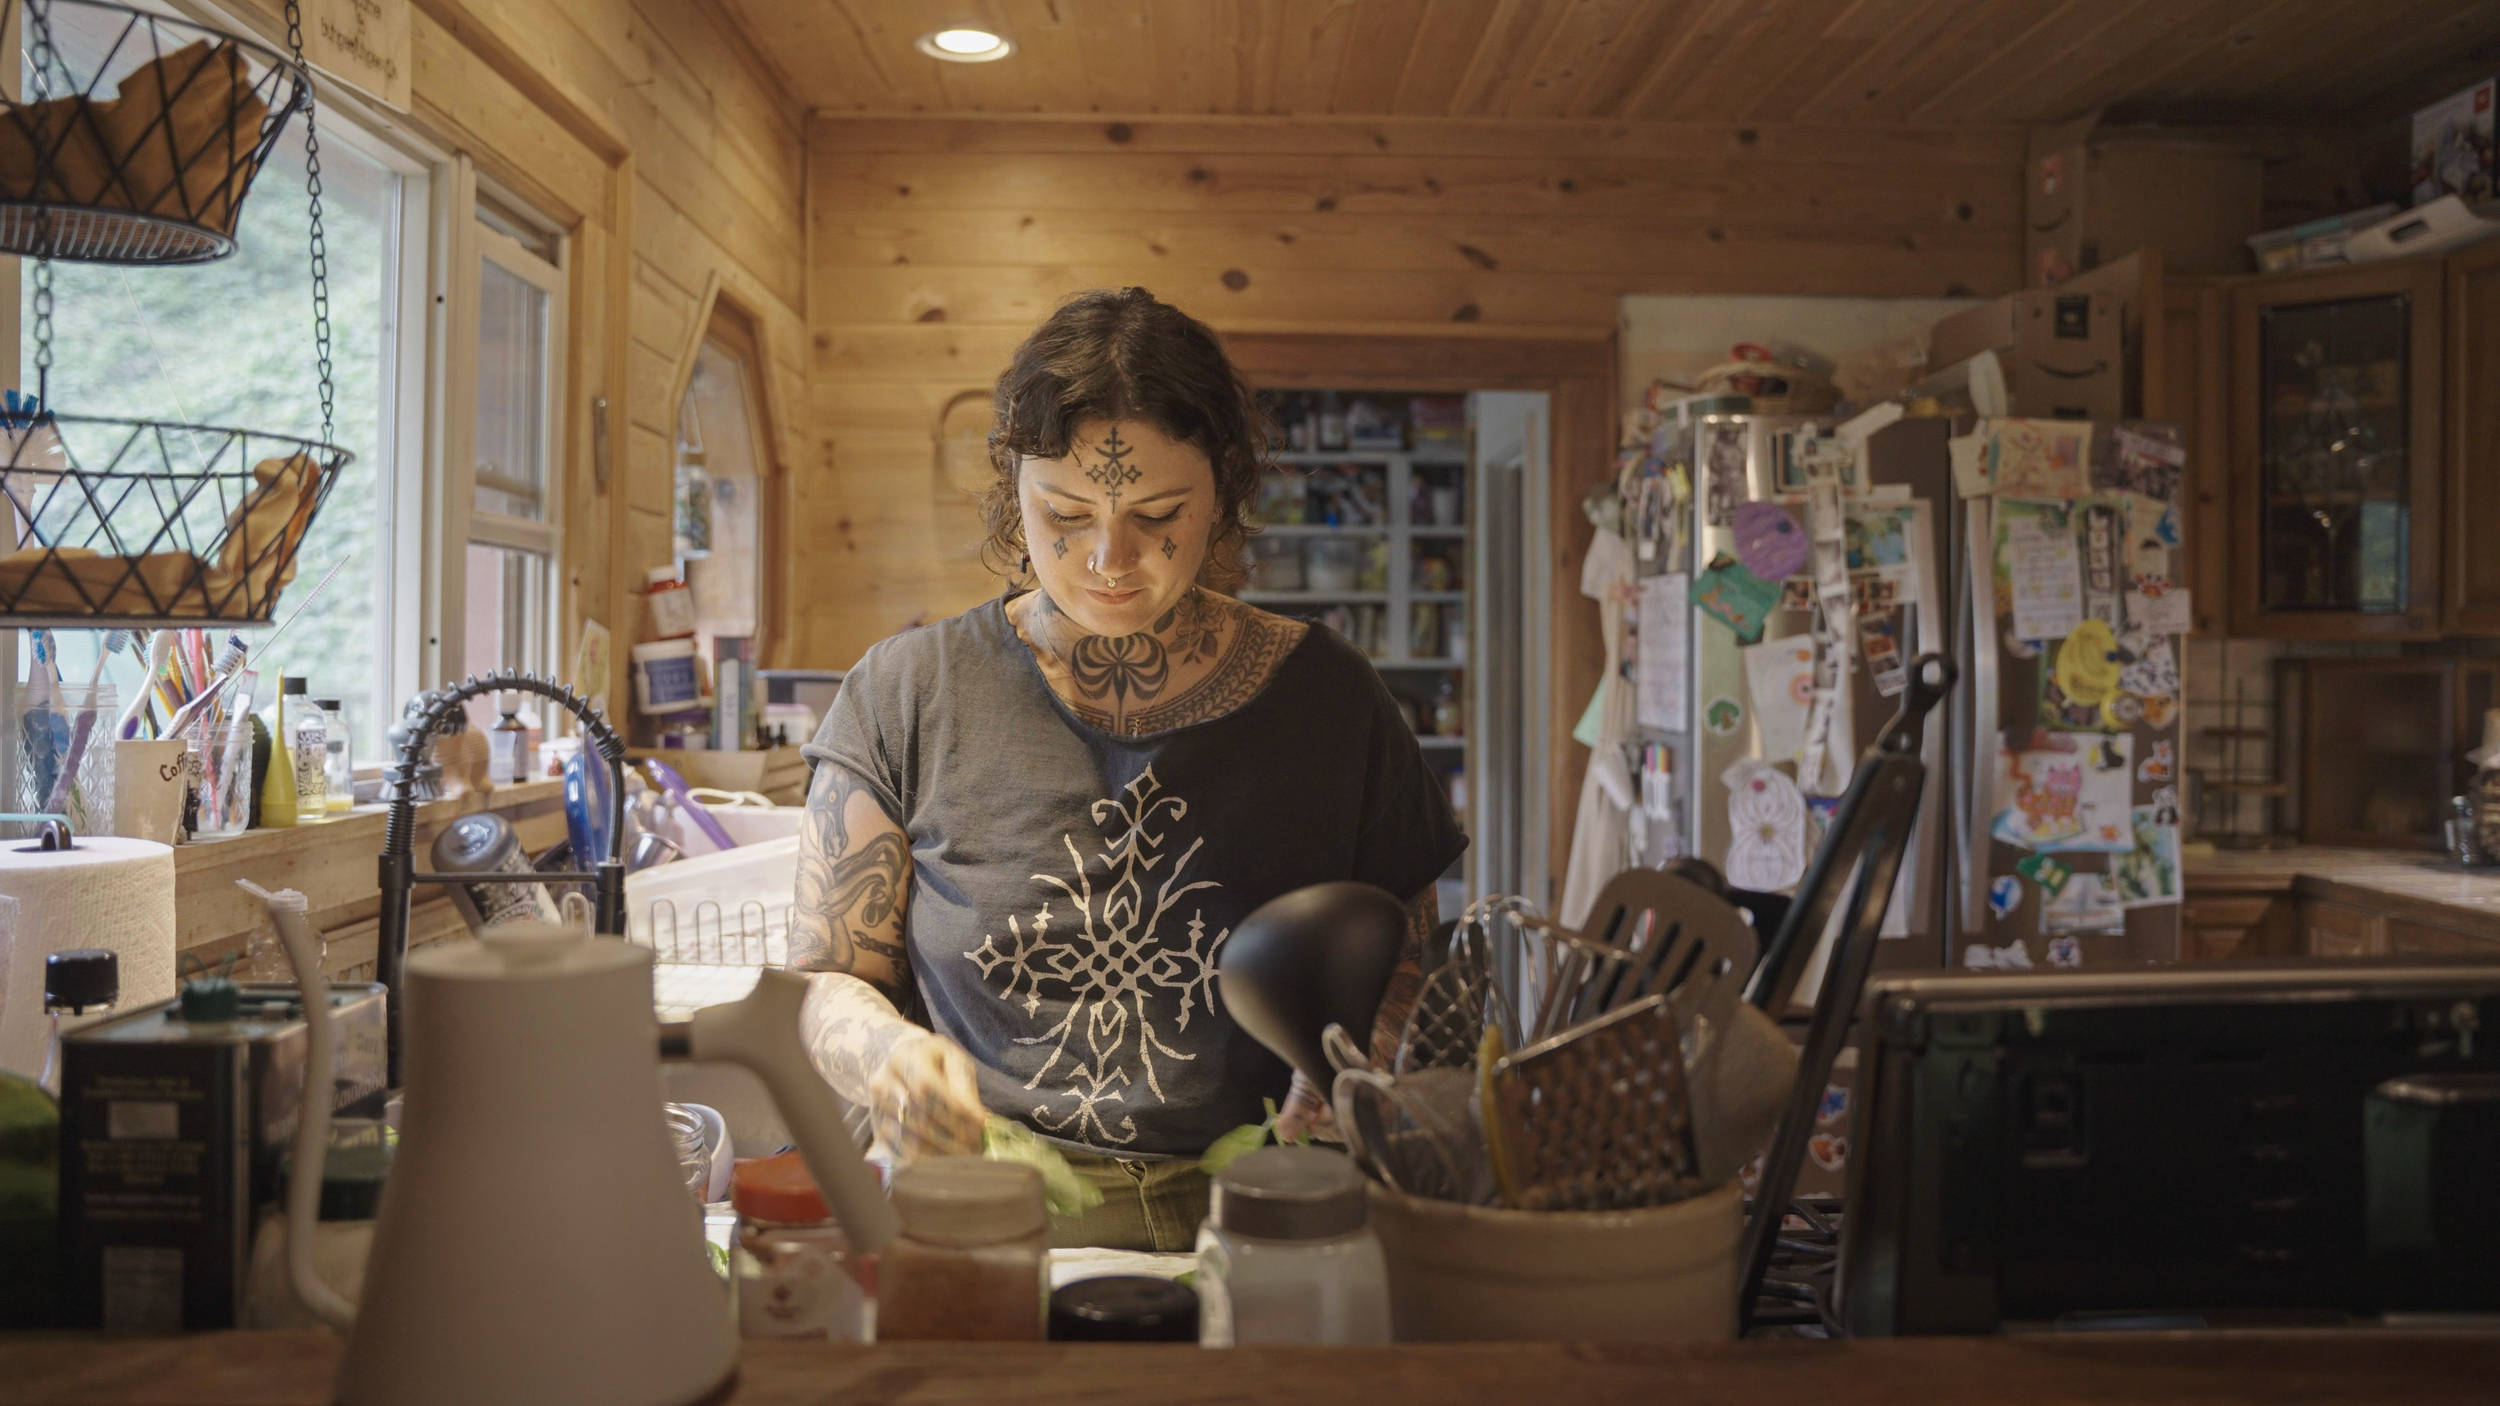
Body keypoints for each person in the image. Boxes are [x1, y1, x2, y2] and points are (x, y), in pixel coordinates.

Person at [791, 287, 1465, 1251]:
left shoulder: (1332, 699)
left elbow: (1405, 957)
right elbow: (821, 978)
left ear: (1225, 492)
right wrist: (886, 1052)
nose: (1111, 557)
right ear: (1012, 486)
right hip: (981, 1206)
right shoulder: (906, 691)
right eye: (1064, 512)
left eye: (1157, 515)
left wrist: (1363, 1061)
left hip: (1269, 1204)